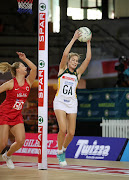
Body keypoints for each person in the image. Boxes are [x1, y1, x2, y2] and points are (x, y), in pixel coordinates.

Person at [53, 30, 92, 166]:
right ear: (68, 61)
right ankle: (59, 152)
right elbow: (64, 54)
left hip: (72, 103)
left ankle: (63, 149)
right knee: (62, 129)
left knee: (71, 133)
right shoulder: (62, 69)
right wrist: (74, 38)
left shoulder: (78, 73)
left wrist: (88, 42)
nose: (75, 62)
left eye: (76, 61)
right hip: (59, 102)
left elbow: (87, 59)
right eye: (73, 60)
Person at [0, 52, 37, 169]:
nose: (25, 67)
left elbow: (34, 68)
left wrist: (25, 59)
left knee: (21, 141)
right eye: (22, 66)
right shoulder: (10, 83)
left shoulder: (28, 82)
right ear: (17, 70)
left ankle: (7, 156)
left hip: (16, 115)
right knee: (2, 143)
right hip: (5, 114)